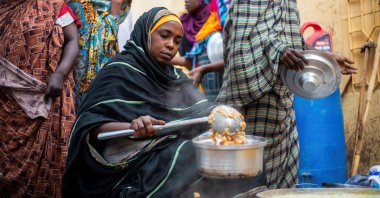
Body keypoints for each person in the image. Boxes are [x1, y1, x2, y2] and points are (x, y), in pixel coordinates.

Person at [218, 0, 357, 189]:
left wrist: (327, 60)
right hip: (254, 109)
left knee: (284, 186)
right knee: (248, 184)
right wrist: (278, 51)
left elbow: (294, 43)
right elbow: (240, 46)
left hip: (284, 111)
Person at [0, 0, 79, 197]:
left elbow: (72, 41)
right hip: (6, 106)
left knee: (49, 164)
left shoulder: (53, 5)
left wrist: (60, 74)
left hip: (47, 97)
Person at [67, 0, 132, 107]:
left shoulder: (116, 7)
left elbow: (109, 40)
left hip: (100, 64)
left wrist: (116, 7)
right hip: (66, 58)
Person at [171, 0, 228, 101]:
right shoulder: (184, 24)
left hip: (226, 89)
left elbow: (233, 56)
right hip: (203, 89)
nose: (186, 0)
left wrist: (204, 68)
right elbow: (191, 61)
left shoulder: (218, 18)